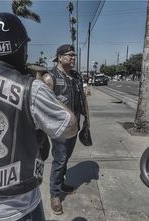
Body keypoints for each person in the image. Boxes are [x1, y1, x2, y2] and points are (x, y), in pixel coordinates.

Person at [0, 13, 78, 221]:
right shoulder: (31, 87)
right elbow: (70, 126)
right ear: (18, 48)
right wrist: (42, 87)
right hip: (16, 207)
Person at [42, 44, 90, 215]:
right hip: (59, 129)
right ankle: (54, 194)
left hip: (74, 127)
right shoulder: (50, 77)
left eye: (74, 55)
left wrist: (87, 121)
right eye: (70, 55)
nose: (73, 58)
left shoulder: (76, 76)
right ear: (60, 57)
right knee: (60, 159)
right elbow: (43, 106)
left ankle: (61, 184)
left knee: (66, 157)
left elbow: (83, 98)